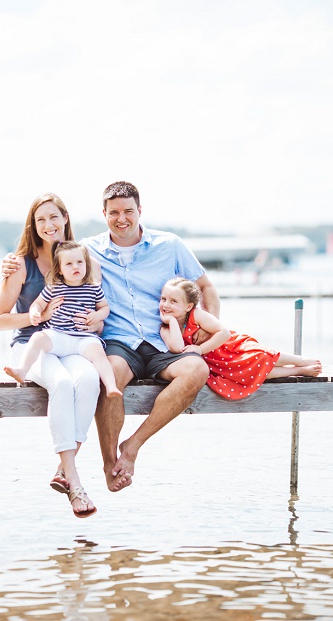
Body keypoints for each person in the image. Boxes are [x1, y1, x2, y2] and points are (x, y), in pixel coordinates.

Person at [80, 181, 220, 493]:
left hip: (165, 341)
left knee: (197, 369)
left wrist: (206, 330)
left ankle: (132, 446)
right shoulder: (89, 250)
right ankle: (108, 464)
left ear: (139, 211)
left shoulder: (169, 245)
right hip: (120, 341)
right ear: (103, 214)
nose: (122, 218)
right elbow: (53, 264)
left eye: (128, 211)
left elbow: (207, 288)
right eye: (114, 212)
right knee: (109, 375)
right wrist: (13, 265)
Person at [0, 193, 103, 518]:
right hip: (32, 343)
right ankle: (75, 481)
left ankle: (61, 470)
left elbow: (98, 307)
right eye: (41, 219)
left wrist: (97, 319)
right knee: (62, 384)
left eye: (54, 217)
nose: (48, 225)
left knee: (88, 379)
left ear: (65, 218)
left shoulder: (83, 260)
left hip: (72, 342)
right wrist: (34, 317)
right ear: (34, 226)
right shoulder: (20, 264)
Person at [158, 277, 322, 400]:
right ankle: (298, 371)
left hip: (229, 348)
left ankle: (300, 360)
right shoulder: (166, 327)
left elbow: (224, 332)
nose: (166, 305)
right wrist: (172, 321)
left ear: (188, 306)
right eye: (163, 299)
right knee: (249, 373)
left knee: (260, 357)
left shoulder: (196, 315)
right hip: (217, 363)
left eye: (173, 301)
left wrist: (200, 349)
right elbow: (177, 348)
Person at [4, 241, 123, 404]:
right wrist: (35, 313)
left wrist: (98, 315)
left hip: (83, 338)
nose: (76, 267)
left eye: (80, 262)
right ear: (59, 269)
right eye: (69, 264)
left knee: (99, 354)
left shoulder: (93, 288)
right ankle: (22, 370)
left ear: (86, 265)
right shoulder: (54, 287)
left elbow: (104, 307)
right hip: (57, 334)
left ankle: (110, 386)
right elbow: (38, 303)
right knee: (38, 338)